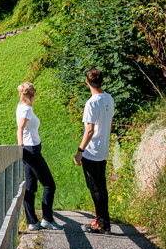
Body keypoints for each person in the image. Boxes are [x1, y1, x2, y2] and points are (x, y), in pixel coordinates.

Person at [16, 81, 63, 231]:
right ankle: (47, 219)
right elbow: (20, 128)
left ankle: (32, 222)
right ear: (33, 95)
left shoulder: (22, 107)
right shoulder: (27, 110)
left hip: (29, 149)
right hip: (31, 150)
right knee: (49, 185)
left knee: (30, 187)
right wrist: (20, 144)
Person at [74, 67, 115, 234]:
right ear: (102, 81)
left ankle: (102, 224)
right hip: (103, 149)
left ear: (87, 82)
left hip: (91, 152)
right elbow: (110, 123)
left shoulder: (91, 103)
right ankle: (104, 220)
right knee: (101, 187)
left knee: (95, 188)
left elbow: (89, 130)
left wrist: (80, 150)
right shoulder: (109, 98)